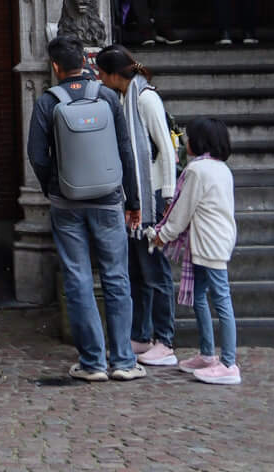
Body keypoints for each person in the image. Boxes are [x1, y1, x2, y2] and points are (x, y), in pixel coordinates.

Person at [28, 33, 144, 383]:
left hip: (66, 201)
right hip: (109, 198)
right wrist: (133, 200)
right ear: (86, 61)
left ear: (55, 67)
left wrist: (54, 186)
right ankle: (123, 361)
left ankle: (92, 363)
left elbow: (36, 155)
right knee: (116, 276)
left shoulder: (48, 102)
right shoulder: (107, 96)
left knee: (77, 278)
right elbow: (126, 150)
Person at [96, 44, 178, 365]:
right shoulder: (122, 99)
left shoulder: (145, 98)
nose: (99, 79)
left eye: (102, 74)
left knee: (155, 270)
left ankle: (165, 339)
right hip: (134, 196)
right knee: (137, 270)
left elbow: (165, 148)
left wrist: (168, 196)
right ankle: (141, 335)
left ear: (113, 75)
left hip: (152, 196)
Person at [147, 116, 240, 384]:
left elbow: (181, 212)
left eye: (188, 137)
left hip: (209, 243)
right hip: (215, 241)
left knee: (221, 299)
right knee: (199, 296)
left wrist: (162, 236)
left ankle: (229, 363)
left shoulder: (197, 171)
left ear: (199, 142)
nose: (185, 141)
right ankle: (207, 354)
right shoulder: (222, 169)